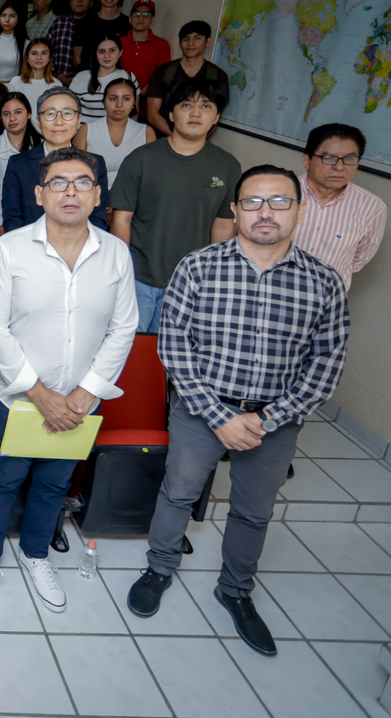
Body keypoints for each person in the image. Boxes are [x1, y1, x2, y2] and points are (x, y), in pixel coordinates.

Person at [127, 164, 349, 657]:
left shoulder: (323, 283)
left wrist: (267, 420)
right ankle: (159, 568)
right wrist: (219, 416)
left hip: (276, 419)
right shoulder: (199, 266)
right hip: (203, 410)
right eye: (252, 202)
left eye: (278, 202)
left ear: (299, 208)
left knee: (254, 512)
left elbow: (326, 364)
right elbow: (175, 347)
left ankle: (235, 590)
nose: (265, 212)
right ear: (234, 208)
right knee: (178, 493)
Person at [0, 146, 137, 614]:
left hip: (83, 401)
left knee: (54, 482)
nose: (71, 191)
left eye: (82, 182)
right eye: (59, 183)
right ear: (40, 194)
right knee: (4, 479)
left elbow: (123, 328)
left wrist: (87, 393)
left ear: (97, 195)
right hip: (18, 397)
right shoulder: (11, 249)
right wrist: (39, 393)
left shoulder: (115, 255)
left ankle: (36, 554)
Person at [110, 77, 240, 333]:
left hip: (189, 282)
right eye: (186, 105)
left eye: (206, 106)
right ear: (170, 113)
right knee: (128, 352)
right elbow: (120, 220)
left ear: (216, 117)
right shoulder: (141, 159)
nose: (195, 112)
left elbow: (223, 227)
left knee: (168, 357)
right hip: (138, 278)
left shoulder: (228, 166)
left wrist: (210, 279)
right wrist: (123, 273)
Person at [293, 123, 386, 290]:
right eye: (329, 158)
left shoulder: (372, 207)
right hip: (270, 293)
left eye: (350, 159)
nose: (339, 167)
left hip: (326, 303)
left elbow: (358, 260)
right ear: (307, 160)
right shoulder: (279, 192)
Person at [2, 88, 109, 233]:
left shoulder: (95, 163)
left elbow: (97, 219)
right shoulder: (18, 164)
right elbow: (13, 218)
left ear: (79, 120)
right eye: (50, 114)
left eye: (67, 113)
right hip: (30, 250)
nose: (59, 122)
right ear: (38, 121)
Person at [145, 21, 231, 138]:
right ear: (180, 43)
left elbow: (215, 115)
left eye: (197, 38)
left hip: (197, 145)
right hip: (162, 140)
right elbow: (152, 114)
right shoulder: (164, 71)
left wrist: (194, 141)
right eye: (186, 39)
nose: (191, 43)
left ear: (208, 41)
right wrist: (178, 138)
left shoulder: (218, 76)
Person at [74, 77, 154, 190]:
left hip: (133, 198)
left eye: (126, 99)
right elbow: (76, 172)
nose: (119, 105)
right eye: (113, 99)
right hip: (94, 197)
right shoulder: (86, 130)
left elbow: (150, 176)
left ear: (133, 103)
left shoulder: (146, 132)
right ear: (103, 102)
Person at [0, 93, 42, 236]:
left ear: (29, 114)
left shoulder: (40, 144)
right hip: (7, 214)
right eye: (6, 114)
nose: (12, 118)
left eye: (18, 112)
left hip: (37, 214)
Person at [69, 34, 140, 121]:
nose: (107, 55)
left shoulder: (129, 77)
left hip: (117, 134)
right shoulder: (81, 77)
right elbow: (69, 112)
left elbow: (134, 114)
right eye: (102, 51)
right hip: (84, 133)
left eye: (112, 50)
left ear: (120, 52)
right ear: (96, 54)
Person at [73, 0, 131, 68]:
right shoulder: (85, 22)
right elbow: (77, 57)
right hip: (87, 75)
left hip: (116, 77)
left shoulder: (128, 23)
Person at [119, 0, 172, 93]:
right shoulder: (118, 42)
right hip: (118, 95)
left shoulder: (162, 44)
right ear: (130, 19)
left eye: (146, 14)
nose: (141, 18)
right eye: (137, 14)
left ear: (153, 19)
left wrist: (140, 94)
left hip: (148, 100)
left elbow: (162, 75)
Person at [48, 0, 93, 84]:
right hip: (59, 80)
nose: (80, 0)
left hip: (88, 82)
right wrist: (56, 74)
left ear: (91, 3)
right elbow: (47, 52)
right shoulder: (58, 23)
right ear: (70, 1)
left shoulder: (95, 24)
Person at [7, 38, 61, 119]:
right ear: (27, 57)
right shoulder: (16, 83)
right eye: (34, 53)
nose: (39, 57)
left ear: (49, 57)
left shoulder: (57, 85)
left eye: (44, 53)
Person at [0, 3, 28, 82]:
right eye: (3, 15)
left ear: (18, 18)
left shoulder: (26, 44)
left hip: (15, 88)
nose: (7, 20)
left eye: (12, 16)